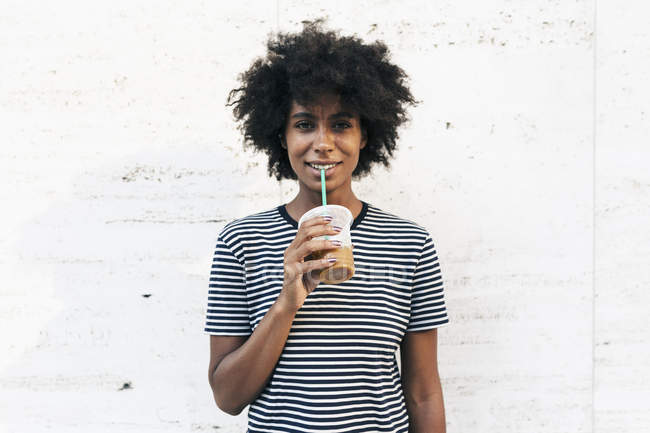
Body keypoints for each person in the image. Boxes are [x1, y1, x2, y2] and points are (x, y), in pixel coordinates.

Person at [205, 22, 450, 433]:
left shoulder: (411, 243)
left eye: (340, 124)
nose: (323, 142)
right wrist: (287, 302)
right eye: (304, 124)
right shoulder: (241, 241)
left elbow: (423, 392)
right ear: (280, 137)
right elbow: (227, 399)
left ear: (365, 134)